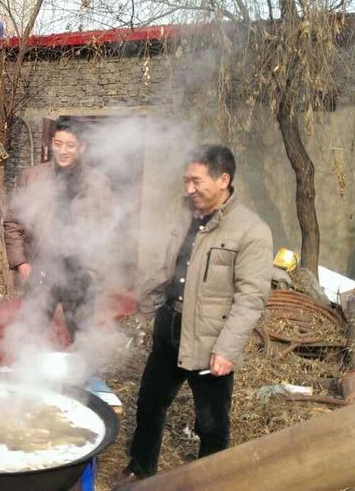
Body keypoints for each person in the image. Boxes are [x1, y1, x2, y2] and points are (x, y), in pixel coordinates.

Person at [112, 145, 273, 486]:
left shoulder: (250, 231)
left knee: (211, 422)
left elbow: (251, 297)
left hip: (211, 337)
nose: (188, 189)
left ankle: (210, 480)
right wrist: (146, 305)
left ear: (223, 180)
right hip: (169, 326)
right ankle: (140, 467)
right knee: (150, 403)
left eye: (196, 181)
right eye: (186, 180)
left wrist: (227, 349)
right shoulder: (185, 216)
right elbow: (166, 268)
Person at [3, 118, 111, 341]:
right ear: (51, 143)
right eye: (58, 143)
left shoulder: (97, 183)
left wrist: (95, 270)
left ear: (82, 147)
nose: (63, 151)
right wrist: (21, 262)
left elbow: (107, 230)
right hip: (40, 271)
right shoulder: (32, 177)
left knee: (82, 338)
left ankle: (82, 374)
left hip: (80, 274)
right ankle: (29, 373)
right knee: (31, 335)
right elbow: (13, 223)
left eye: (70, 145)